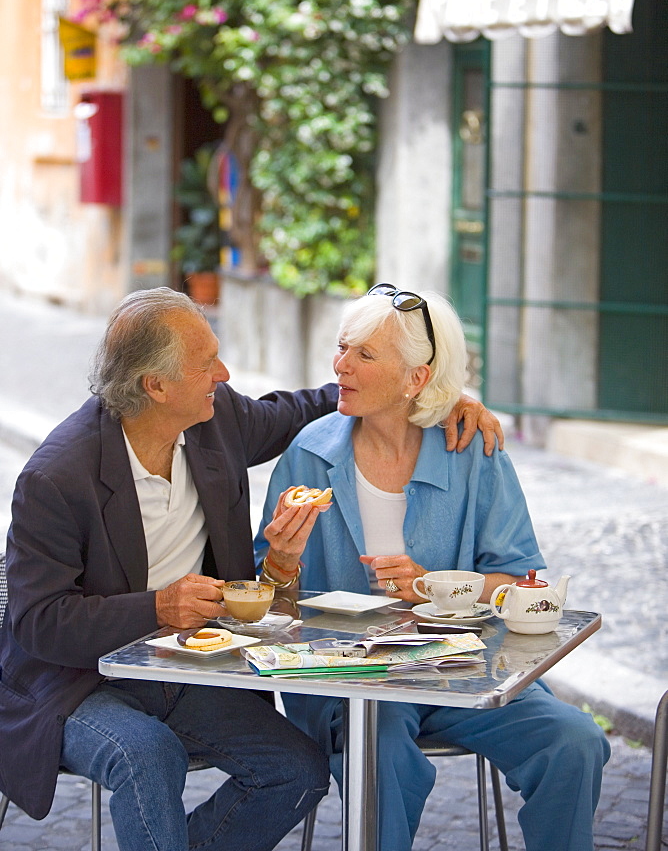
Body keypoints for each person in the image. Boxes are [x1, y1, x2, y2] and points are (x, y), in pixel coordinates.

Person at [0, 286, 498, 850]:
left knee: (296, 770)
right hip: (80, 681)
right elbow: (38, 623)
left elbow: (310, 406)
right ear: (155, 386)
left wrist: (432, 395)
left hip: (183, 667)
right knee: (149, 755)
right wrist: (157, 607)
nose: (224, 371)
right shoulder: (56, 476)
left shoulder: (217, 419)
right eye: (206, 362)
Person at [255, 283, 611, 851]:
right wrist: (281, 560)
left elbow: (521, 580)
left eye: (364, 355)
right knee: (381, 741)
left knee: (574, 740)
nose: (339, 365)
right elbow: (268, 610)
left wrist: (434, 589)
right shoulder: (308, 455)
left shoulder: (472, 450)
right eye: (342, 348)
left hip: (463, 671)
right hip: (350, 682)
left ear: (416, 378)